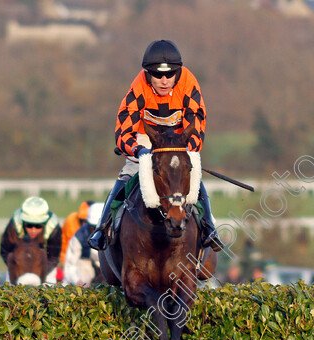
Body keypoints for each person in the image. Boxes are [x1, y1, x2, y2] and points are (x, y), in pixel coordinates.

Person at [89, 39, 222, 251]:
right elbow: (123, 132)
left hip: (177, 142)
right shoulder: (139, 86)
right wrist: (139, 151)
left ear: (177, 72)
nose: (163, 80)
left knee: (191, 170)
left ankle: (209, 228)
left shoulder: (188, 83)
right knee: (129, 171)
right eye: (157, 75)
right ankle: (102, 228)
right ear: (148, 73)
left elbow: (196, 127)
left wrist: (184, 153)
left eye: (169, 74)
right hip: (146, 139)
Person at [0, 196, 62, 283]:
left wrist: (37, 274)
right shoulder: (15, 224)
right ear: (23, 222)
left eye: (38, 226)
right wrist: (18, 269)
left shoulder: (53, 227)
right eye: (29, 225)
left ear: (44, 223)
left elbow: (53, 257)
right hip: (17, 269)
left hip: (45, 269)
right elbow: (5, 251)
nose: (33, 230)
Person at [63, 202, 104, 286]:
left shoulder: (116, 233)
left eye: (97, 227)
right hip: (89, 268)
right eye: (92, 227)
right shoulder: (80, 235)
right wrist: (78, 281)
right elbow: (70, 265)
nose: (94, 231)